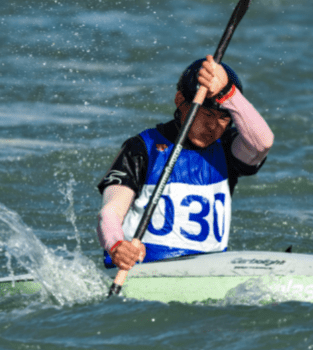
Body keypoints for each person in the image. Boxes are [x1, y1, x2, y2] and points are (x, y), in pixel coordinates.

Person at [97, 55, 274, 271]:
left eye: (223, 118)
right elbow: (110, 212)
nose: (213, 126)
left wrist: (229, 94)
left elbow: (262, 143)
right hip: (145, 268)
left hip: (209, 270)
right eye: (206, 114)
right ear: (180, 101)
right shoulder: (142, 147)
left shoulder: (228, 148)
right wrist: (116, 245)